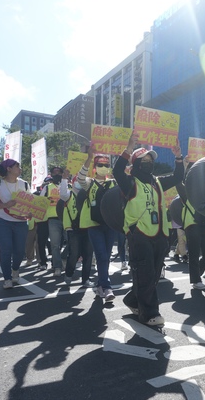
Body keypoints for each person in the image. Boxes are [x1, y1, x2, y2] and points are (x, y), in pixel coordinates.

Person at [114, 137, 184, 326]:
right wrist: (128, 148)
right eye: (144, 161)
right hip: (139, 234)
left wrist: (178, 157)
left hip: (160, 234)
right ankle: (149, 313)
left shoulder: (158, 182)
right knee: (144, 273)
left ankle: (132, 300)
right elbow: (116, 171)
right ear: (136, 164)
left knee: (153, 274)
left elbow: (178, 177)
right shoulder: (129, 182)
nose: (148, 163)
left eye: (150, 160)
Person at [76, 153, 117, 298]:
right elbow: (80, 178)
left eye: (106, 165)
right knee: (101, 255)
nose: (103, 167)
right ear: (95, 167)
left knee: (106, 255)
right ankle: (107, 287)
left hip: (110, 224)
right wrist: (88, 159)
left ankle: (100, 285)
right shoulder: (89, 183)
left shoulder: (114, 183)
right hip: (93, 224)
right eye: (100, 165)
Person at [0, 159, 30, 289]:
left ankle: (15, 269)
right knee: (5, 250)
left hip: (21, 222)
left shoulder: (24, 184)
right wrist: (5, 205)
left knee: (20, 251)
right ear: (9, 169)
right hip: (1, 221)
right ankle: (7, 279)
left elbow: (30, 203)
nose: (20, 169)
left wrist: (31, 212)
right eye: (17, 166)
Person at [35, 166, 71, 277]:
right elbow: (40, 202)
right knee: (55, 245)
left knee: (72, 242)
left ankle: (63, 257)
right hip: (53, 219)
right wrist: (47, 201)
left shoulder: (69, 186)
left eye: (59, 172)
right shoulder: (47, 188)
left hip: (67, 218)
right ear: (51, 175)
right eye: (54, 173)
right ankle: (57, 266)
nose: (57, 174)